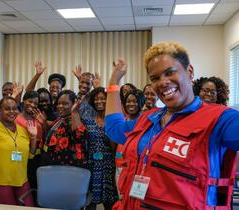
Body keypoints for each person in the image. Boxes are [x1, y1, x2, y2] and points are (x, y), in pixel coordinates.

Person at [105, 42, 239, 209]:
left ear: (189, 72)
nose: (163, 82)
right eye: (155, 78)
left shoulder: (220, 119)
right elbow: (114, 129)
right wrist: (114, 79)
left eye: (169, 73)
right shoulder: (148, 119)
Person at [83, 87, 118, 210]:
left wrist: (110, 128)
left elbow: (114, 148)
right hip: (91, 164)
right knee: (89, 202)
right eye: (96, 99)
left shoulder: (113, 120)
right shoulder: (88, 121)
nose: (99, 101)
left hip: (108, 164)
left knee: (110, 201)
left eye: (102, 99)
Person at [44, 90, 88, 168]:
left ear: (73, 104)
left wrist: (74, 112)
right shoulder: (60, 119)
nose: (60, 106)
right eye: (59, 103)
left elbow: (80, 137)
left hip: (69, 169)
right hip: (55, 165)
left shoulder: (75, 119)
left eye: (65, 104)